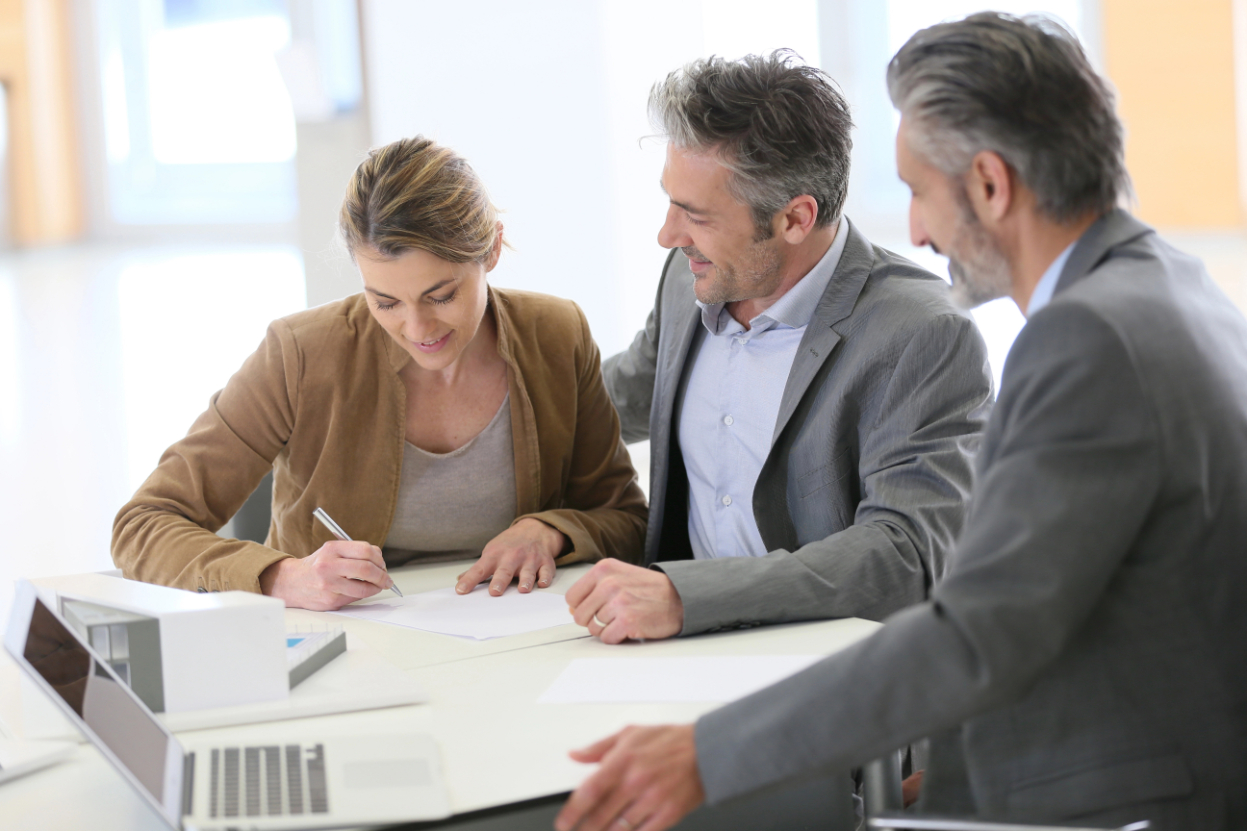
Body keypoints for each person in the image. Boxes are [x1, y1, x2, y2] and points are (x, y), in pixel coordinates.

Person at [556, 13, 1247, 831]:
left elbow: (976, 627)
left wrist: (707, 754)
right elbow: (1057, 599)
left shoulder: (1085, 337)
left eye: (918, 191)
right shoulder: (1171, 281)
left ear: (989, 184)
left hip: (1123, 799)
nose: (914, 229)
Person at [112, 137, 647, 611]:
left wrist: (550, 531)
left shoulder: (556, 335)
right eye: (385, 301)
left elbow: (626, 517)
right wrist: (278, 576)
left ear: (492, 250)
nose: (418, 328)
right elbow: (143, 526)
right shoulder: (301, 354)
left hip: (522, 639)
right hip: (342, 648)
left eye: (441, 295)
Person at [565, 51, 992, 644]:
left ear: (795, 218)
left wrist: (691, 596)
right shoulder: (690, 273)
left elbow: (906, 552)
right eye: (670, 201)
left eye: (696, 215)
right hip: (670, 651)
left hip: (825, 674)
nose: (668, 235)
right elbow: (607, 404)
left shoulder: (922, 333)